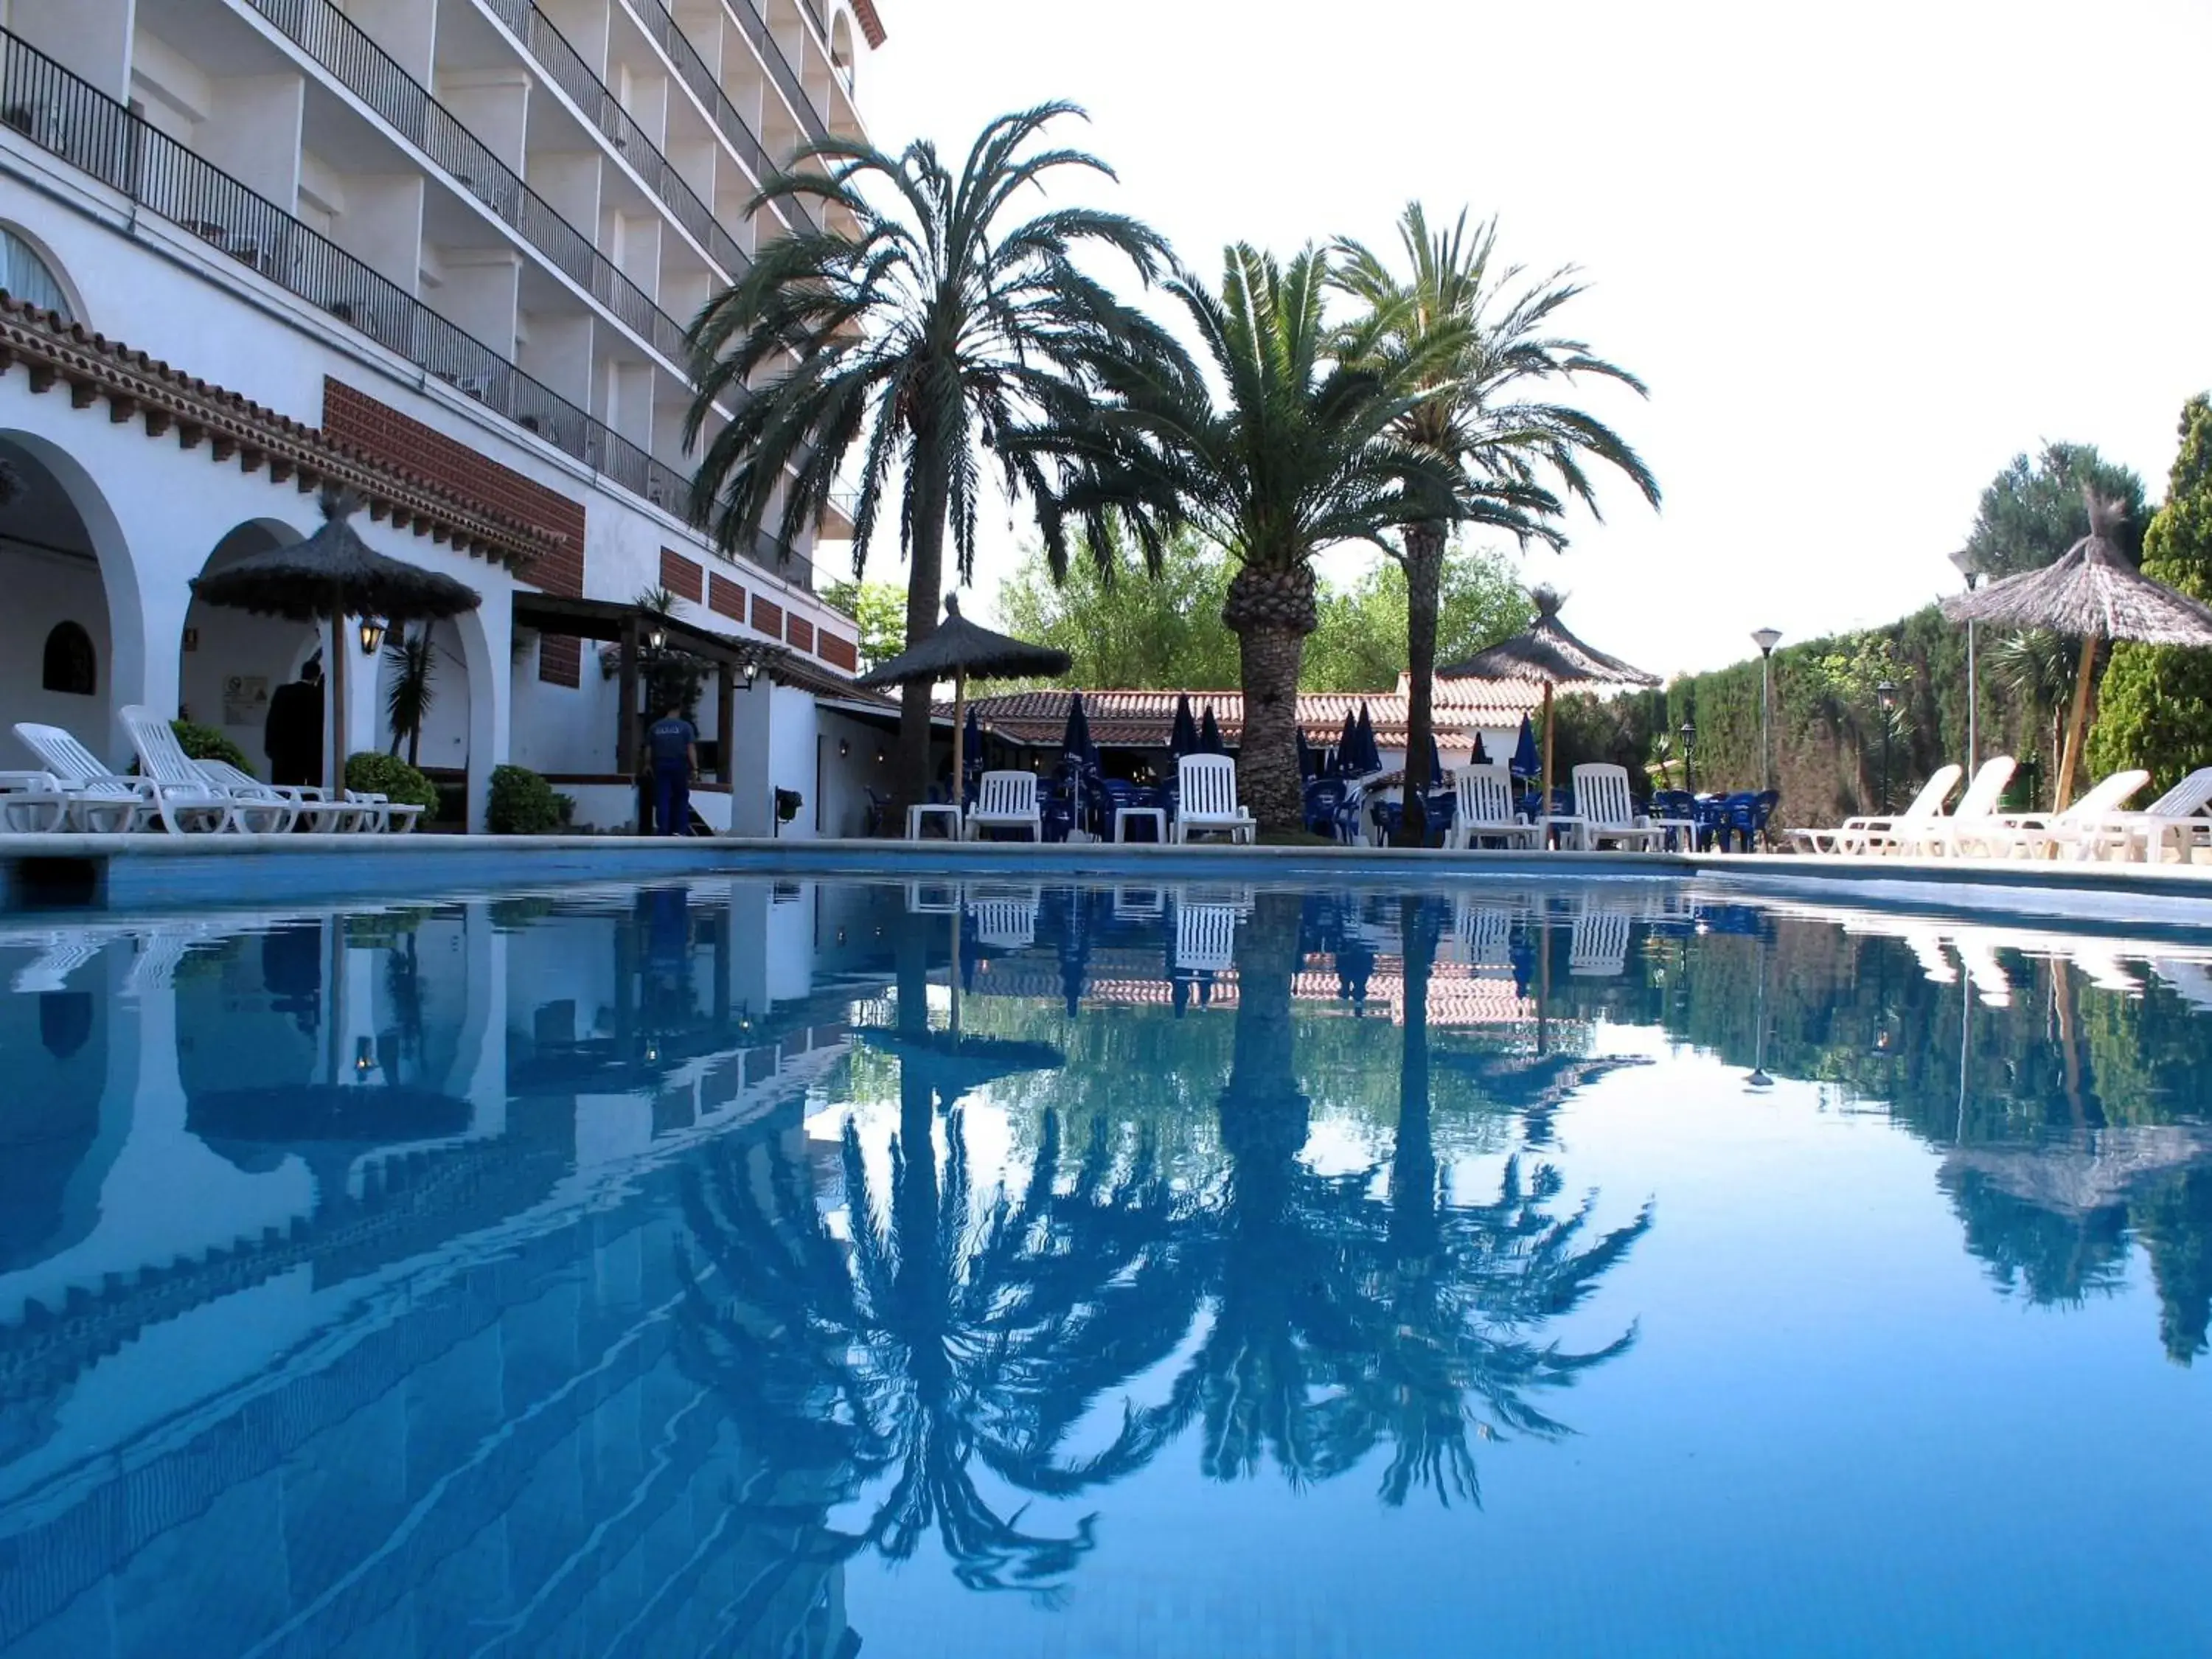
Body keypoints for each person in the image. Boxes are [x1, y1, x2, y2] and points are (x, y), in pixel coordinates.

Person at [264, 655, 324, 787]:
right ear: (316, 676)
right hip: (307, 753)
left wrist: (269, 746)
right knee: (304, 793)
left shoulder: (282, 692)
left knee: (282, 789)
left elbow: (272, 720)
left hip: (282, 751)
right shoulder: (316, 696)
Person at [645, 700, 698, 837]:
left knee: (662, 798)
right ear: (678, 709)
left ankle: (663, 830)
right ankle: (680, 831)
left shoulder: (655, 727)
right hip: (679, 765)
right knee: (681, 797)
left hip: (661, 765)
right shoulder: (685, 727)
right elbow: (690, 748)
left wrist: (647, 764)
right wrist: (695, 768)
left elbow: (649, 748)